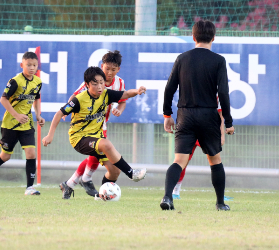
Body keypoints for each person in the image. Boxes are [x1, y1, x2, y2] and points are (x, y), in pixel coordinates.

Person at [161, 20, 234, 211]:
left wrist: (167, 114)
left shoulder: (182, 58)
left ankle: (168, 197)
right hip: (209, 114)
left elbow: (169, 88)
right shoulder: (218, 61)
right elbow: (224, 93)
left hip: (185, 114)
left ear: (193, 37)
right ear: (213, 37)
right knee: (215, 160)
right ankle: (220, 203)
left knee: (179, 161)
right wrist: (228, 121)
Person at [42, 66, 147, 200]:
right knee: (106, 144)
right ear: (87, 85)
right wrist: (50, 135)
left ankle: (101, 196)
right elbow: (59, 114)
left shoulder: (106, 94)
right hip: (79, 139)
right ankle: (132, 173)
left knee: (114, 172)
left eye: (102, 83)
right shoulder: (78, 99)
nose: (99, 86)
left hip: (96, 138)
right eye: (95, 83)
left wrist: (137, 91)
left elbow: (125, 94)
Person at [0, 52, 44, 196]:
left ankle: (29, 188)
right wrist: (17, 115)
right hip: (10, 124)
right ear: (22, 65)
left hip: (26, 124)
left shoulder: (37, 82)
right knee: (5, 156)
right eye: (28, 65)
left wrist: (38, 115)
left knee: (31, 154)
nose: (32, 68)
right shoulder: (15, 81)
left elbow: (36, 99)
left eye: (34, 65)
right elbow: (3, 99)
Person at [62, 50, 126, 197]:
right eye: (107, 68)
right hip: (89, 124)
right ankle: (85, 178)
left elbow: (123, 101)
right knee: (98, 149)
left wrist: (119, 109)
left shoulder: (120, 82)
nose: (109, 73)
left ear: (118, 69)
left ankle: (72, 182)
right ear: (102, 66)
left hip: (101, 122)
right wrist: (68, 110)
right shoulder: (93, 80)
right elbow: (75, 96)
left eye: (113, 69)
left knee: (98, 151)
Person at [172, 98, 225, 200]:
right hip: (190, 130)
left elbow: (221, 114)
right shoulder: (191, 89)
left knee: (215, 161)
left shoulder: (215, 93)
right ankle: (175, 191)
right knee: (182, 162)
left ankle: (220, 195)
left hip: (206, 131)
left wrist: (222, 135)